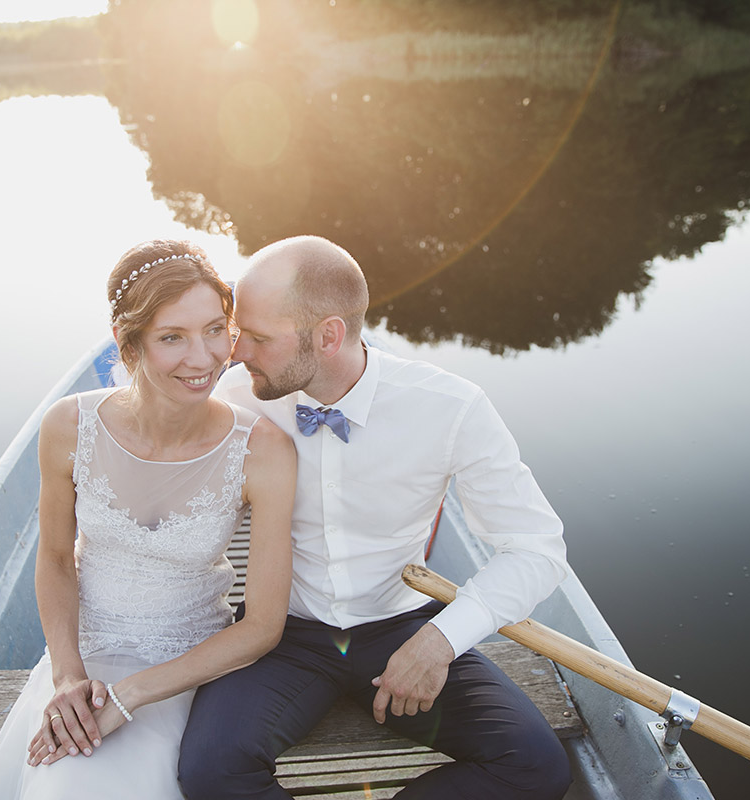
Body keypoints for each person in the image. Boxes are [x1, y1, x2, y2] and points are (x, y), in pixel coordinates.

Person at [177, 235, 572, 799]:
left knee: (536, 767)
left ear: (329, 336)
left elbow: (537, 548)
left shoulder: (450, 408)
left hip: (402, 626)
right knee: (210, 773)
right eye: (238, 334)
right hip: (280, 632)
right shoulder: (236, 397)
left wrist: (441, 640)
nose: (236, 354)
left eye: (258, 339)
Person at [0, 240, 296, 800]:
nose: (204, 358)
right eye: (172, 337)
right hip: (83, 651)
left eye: (216, 329)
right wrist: (69, 677)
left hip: (187, 667)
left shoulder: (262, 449)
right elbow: (53, 559)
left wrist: (131, 695)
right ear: (130, 344)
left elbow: (263, 627)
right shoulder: (69, 427)